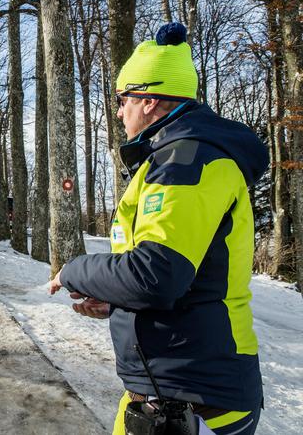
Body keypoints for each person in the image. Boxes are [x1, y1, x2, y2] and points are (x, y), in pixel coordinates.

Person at [49, 23, 266, 435]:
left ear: (147, 101)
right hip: (164, 390)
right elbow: (186, 276)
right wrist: (116, 301)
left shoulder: (187, 161)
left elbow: (156, 275)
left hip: (198, 399)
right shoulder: (173, 157)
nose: (118, 112)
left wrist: (74, 269)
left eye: (122, 100)